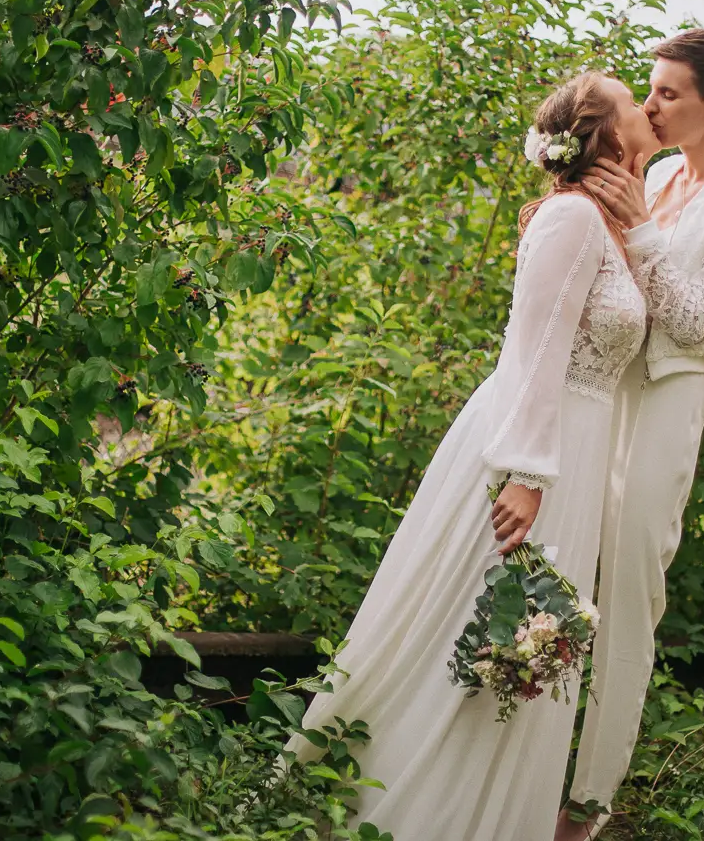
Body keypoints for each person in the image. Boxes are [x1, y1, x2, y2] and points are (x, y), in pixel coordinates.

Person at [280, 70, 659, 841]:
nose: (647, 108)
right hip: (534, 455)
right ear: (605, 134)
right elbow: (534, 348)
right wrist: (527, 473)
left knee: (527, 653)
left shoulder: (614, 222)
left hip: (578, 459)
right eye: (632, 101)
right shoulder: (571, 218)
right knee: (485, 633)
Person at [556, 28, 704, 840]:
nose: (650, 106)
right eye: (649, 90)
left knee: (629, 598)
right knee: (562, 566)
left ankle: (587, 805)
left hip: (668, 400)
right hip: (607, 389)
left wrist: (643, 230)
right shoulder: (654, 172)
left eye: (668, 94)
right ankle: (525, 755)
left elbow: (700, 322)